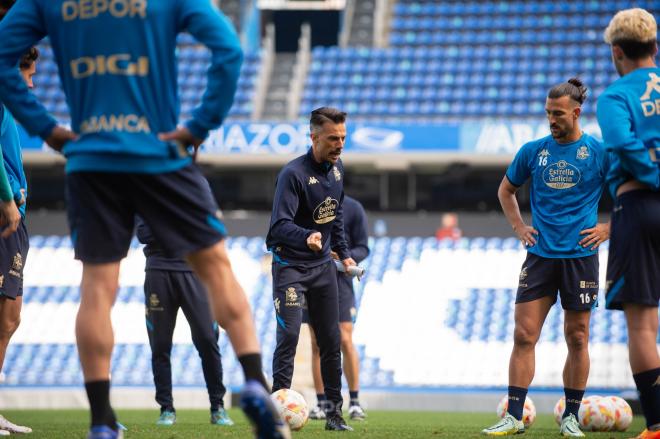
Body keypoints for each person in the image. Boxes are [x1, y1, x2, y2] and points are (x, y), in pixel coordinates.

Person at [0, 2, 288, 439]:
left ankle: (100, 420)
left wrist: (46, 128)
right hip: (160, 154)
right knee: (216, 268)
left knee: (98, 289)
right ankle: (254, 384)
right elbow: (228, 48)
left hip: (91, 160)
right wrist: (199, 125)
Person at [482, 78, 610, 437]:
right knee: (524, 334)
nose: (551, 120)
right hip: (540, 256)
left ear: (576, 112)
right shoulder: (533, 150)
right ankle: (513, 416)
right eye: (547, 114)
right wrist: (520, 227)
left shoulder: (598, 152)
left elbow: (630, 195)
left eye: (557, 114)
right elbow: (506, 190)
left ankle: (570, 416)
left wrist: (607, 229)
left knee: (578, 337)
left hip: (581, 256)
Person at [266, 107, 356, 432]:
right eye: (333, 138)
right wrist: (308, 236)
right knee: (289, 335)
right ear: (314, 137)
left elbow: (337, 216)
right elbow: (278, 226)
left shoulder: (337, 170)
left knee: (331, 341)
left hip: (322, 269)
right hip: (290, 267)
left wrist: (343, 254)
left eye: (343, 137)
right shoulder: (293, 175)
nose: (340, 144)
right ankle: (277, 415)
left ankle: (334, 415)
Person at [597, 8, 660, 439]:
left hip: (639, 204)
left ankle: (657, 424)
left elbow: (620, 140)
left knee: (642, 324)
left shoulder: (615, 96)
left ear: (617, 52)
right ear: (655, 47)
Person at [137, 218, 233, 427]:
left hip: (195, 272)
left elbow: (207, 227)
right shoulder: (146, 188)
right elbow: (143, 234)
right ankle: (166, 408)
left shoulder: (197, 183)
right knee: (160, 345)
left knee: (207, 340)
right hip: (158, 272)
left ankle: (218, 407)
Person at [0, 2, 36, 432]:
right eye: (29, 73)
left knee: (10, 318)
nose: (31, 83)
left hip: (15, 218)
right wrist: (8, 199)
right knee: (5, 316)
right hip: (4, 215)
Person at [306, 195, 369, 421]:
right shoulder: (309, 203)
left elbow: (363, 247)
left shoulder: (353, 207)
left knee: (344, 339)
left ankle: (354, 402)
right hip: (312, 277)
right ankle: (322, 403)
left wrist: (346, 258)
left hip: (341, 282)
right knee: (316, 344)